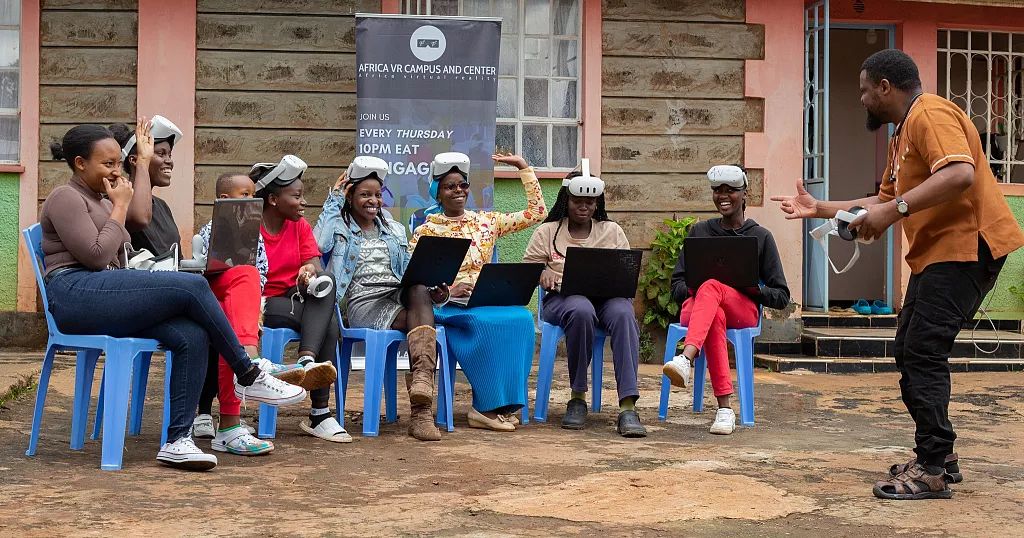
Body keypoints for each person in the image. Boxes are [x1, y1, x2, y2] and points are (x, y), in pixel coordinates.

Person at [773, 49, 1024, 500]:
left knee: (922, 348)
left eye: (865, 90)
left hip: (969, 245)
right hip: (941, 254)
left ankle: (931, 467)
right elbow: (880, 199)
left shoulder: (932, 114)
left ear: (885, 87)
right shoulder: (903, 134)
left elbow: (961, 174)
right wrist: (822, 209)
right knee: (910, 347)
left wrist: (893, 211)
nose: (863, 99)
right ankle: (939, 455)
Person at [40, 124, 307, 471]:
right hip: (75, 294)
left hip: (105, 294)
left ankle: (178, 440)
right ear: (79, 163)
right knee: (192, 286)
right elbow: (94, 255)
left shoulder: (102, 198)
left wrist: (137, 174)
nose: (115, 170)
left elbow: (138, 218)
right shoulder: (66, 197)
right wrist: (118, 207)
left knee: (191, 334)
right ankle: (248, 373)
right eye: (107, 164)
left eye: (119, 163)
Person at [112, 118, 303, 456]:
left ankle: (234, 411)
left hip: (176, 292)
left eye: (169, 153)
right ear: (136, 159)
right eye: (159, 153)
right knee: (224, 314)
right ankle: (245, 382)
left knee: (242, 274)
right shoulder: (124, 200)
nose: (170, 160)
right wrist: (140, 163)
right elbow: (138, 222)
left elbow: (175, 261)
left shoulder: (164, 208)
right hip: (143, 299)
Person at [314, 156, 450, 441]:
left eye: (377, 194)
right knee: (417, 304)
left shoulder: (394, 228)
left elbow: (409, 270)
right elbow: (317, 244)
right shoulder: (338, 226)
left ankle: (422, 391)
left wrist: (438, 293)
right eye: (365, 194)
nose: (373, 201)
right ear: (350, 197)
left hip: (396, 295)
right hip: (363, 302)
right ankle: (421, 412)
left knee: (419, 290)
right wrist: (334, 199)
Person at [410, 152, 546, 431]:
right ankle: (483, 408)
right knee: (486, 325)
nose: (458, 191)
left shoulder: (486, 222)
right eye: (450, 187)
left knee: (520, 319)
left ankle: (505, 404)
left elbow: (537, 213)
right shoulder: (426, 231)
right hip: (448, 305)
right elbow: (418, 281)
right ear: (438, 192)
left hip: (483, 298)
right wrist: (447, 290)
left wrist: (523, 167)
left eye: (463, 185)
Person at [663, 165, 790, 435]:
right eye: (718, 190)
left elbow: (781, 296)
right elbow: (676, 285)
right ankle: (724, 410)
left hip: (741, 309)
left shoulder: (760, 237)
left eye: (731, 190)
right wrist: (697, 288)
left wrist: (749, 287)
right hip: (697, 310)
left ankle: (686, 359)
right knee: (713, 307)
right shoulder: (699, 233)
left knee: (712, 289)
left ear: (745, 194)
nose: (723, 196)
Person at [523, 166, 646, 438]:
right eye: (577, 201)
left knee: (624, 314)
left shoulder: (611, 231)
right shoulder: (548, 232)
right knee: (581, 309)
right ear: (566, 200)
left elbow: (625, 271)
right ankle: (577, 397)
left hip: (607, 299)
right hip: (563, 300)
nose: (584, 207)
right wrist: (542, 272)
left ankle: (627, 406)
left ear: (597, 203)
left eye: (590, 202)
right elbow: (528, 269)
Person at [190, 173, 305, 449]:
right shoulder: (209, 231)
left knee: (247, 282)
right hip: (209, 295)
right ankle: (250, 363)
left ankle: (230, 426)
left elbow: (262, 273)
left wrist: (252, 305)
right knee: (245, 276)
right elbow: (202, 271)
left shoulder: (255, 235)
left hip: (238, 303)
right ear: (224, 200)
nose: (252, 200)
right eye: (245, 195)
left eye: (254, 195)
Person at [254, 155, 350, 443]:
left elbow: (317, 272)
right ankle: (320, 414)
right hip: (263, 303)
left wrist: (310, 270)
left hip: (296, 297)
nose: (304, 202)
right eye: (296, 196)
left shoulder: (300, 226)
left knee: (328, 282)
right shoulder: (250, 226)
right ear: (273, 199)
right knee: (329, 322)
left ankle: (306, 359)